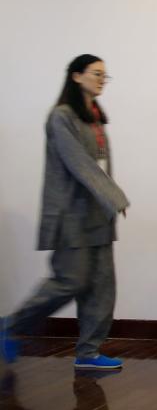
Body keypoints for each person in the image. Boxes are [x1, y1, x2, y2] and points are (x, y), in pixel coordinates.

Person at [1, 54, 129, 370]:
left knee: (102, 286)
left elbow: (99, 166)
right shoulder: (61, 116)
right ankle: (11, 325)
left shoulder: (95, 116)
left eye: (105, 75)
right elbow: (78, 163)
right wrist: (113, 195)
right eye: (96, 73)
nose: (102, 79)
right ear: (76, 76)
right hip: (71, 215)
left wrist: (108, 201)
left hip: (98, 215)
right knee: (70, 281)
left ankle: (88, 352)